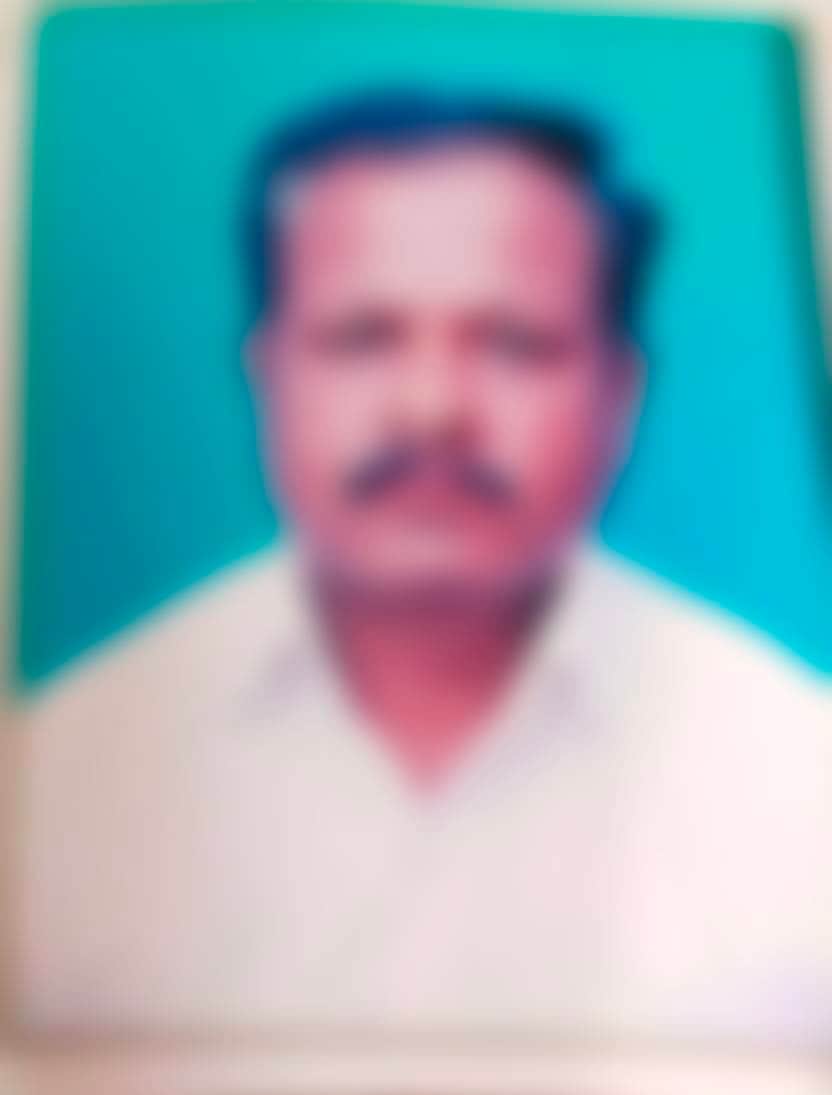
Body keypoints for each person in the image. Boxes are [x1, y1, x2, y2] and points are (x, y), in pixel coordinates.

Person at [17, 92, 831, 1043]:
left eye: (514, 343)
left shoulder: (797, 781)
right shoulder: (53, 785)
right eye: (362, 337)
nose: (432, 409)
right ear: (267, 371)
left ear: (619, 391)